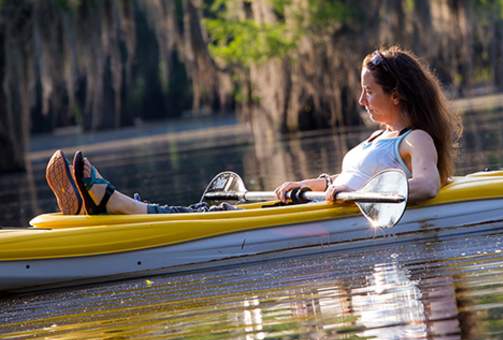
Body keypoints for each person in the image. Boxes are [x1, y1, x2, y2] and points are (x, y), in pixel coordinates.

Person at [45, 46, 462, 216]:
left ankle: (112, 203)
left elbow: (425, 185)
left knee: (213, 219)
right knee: (219, 213)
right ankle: (109, 206)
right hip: (321, 207)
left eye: (369, 92)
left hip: (339, 216)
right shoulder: (376, 140)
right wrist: (313, 182)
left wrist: (351, 196)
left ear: (399, 95)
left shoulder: (416, 139)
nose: (361, 101)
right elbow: (348, 178)